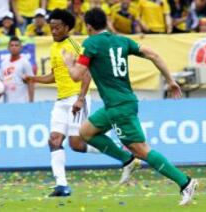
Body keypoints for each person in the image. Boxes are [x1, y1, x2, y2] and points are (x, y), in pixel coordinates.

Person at [62, 8, 197, 205]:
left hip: (119, 107)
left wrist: (68, 63)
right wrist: (170, 80)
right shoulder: (122, 41)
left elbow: (76, 75)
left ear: (89, 26)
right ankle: (127, 160)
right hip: (118, 103)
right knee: (86, 132)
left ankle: (185, 182)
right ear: (106, 22)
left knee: (142, 150)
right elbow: (154, 54)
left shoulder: (90, 43)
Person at [24, 9, 139, 197]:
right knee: (54, 140)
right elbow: (55, 76)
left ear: (67, 28)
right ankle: (61, 185)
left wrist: (80, 98)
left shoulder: (74, 46)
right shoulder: (54, 47)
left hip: (76, 98)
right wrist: (33, 79)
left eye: (57, 28)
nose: (53, 31)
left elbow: (86, 73)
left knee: (76, 143)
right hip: (60, 100)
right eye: (51, 28)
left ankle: (123, 154)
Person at [0, 36, 34, 103]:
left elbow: (31, 82)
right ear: (8, 48)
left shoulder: (25, 63)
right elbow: (1, 82)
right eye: (12, 45)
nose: (14, 47)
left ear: (21, 48)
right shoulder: (3, 63)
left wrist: (31, 102)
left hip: (22, 102)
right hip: (7, 102)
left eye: (16, 45)